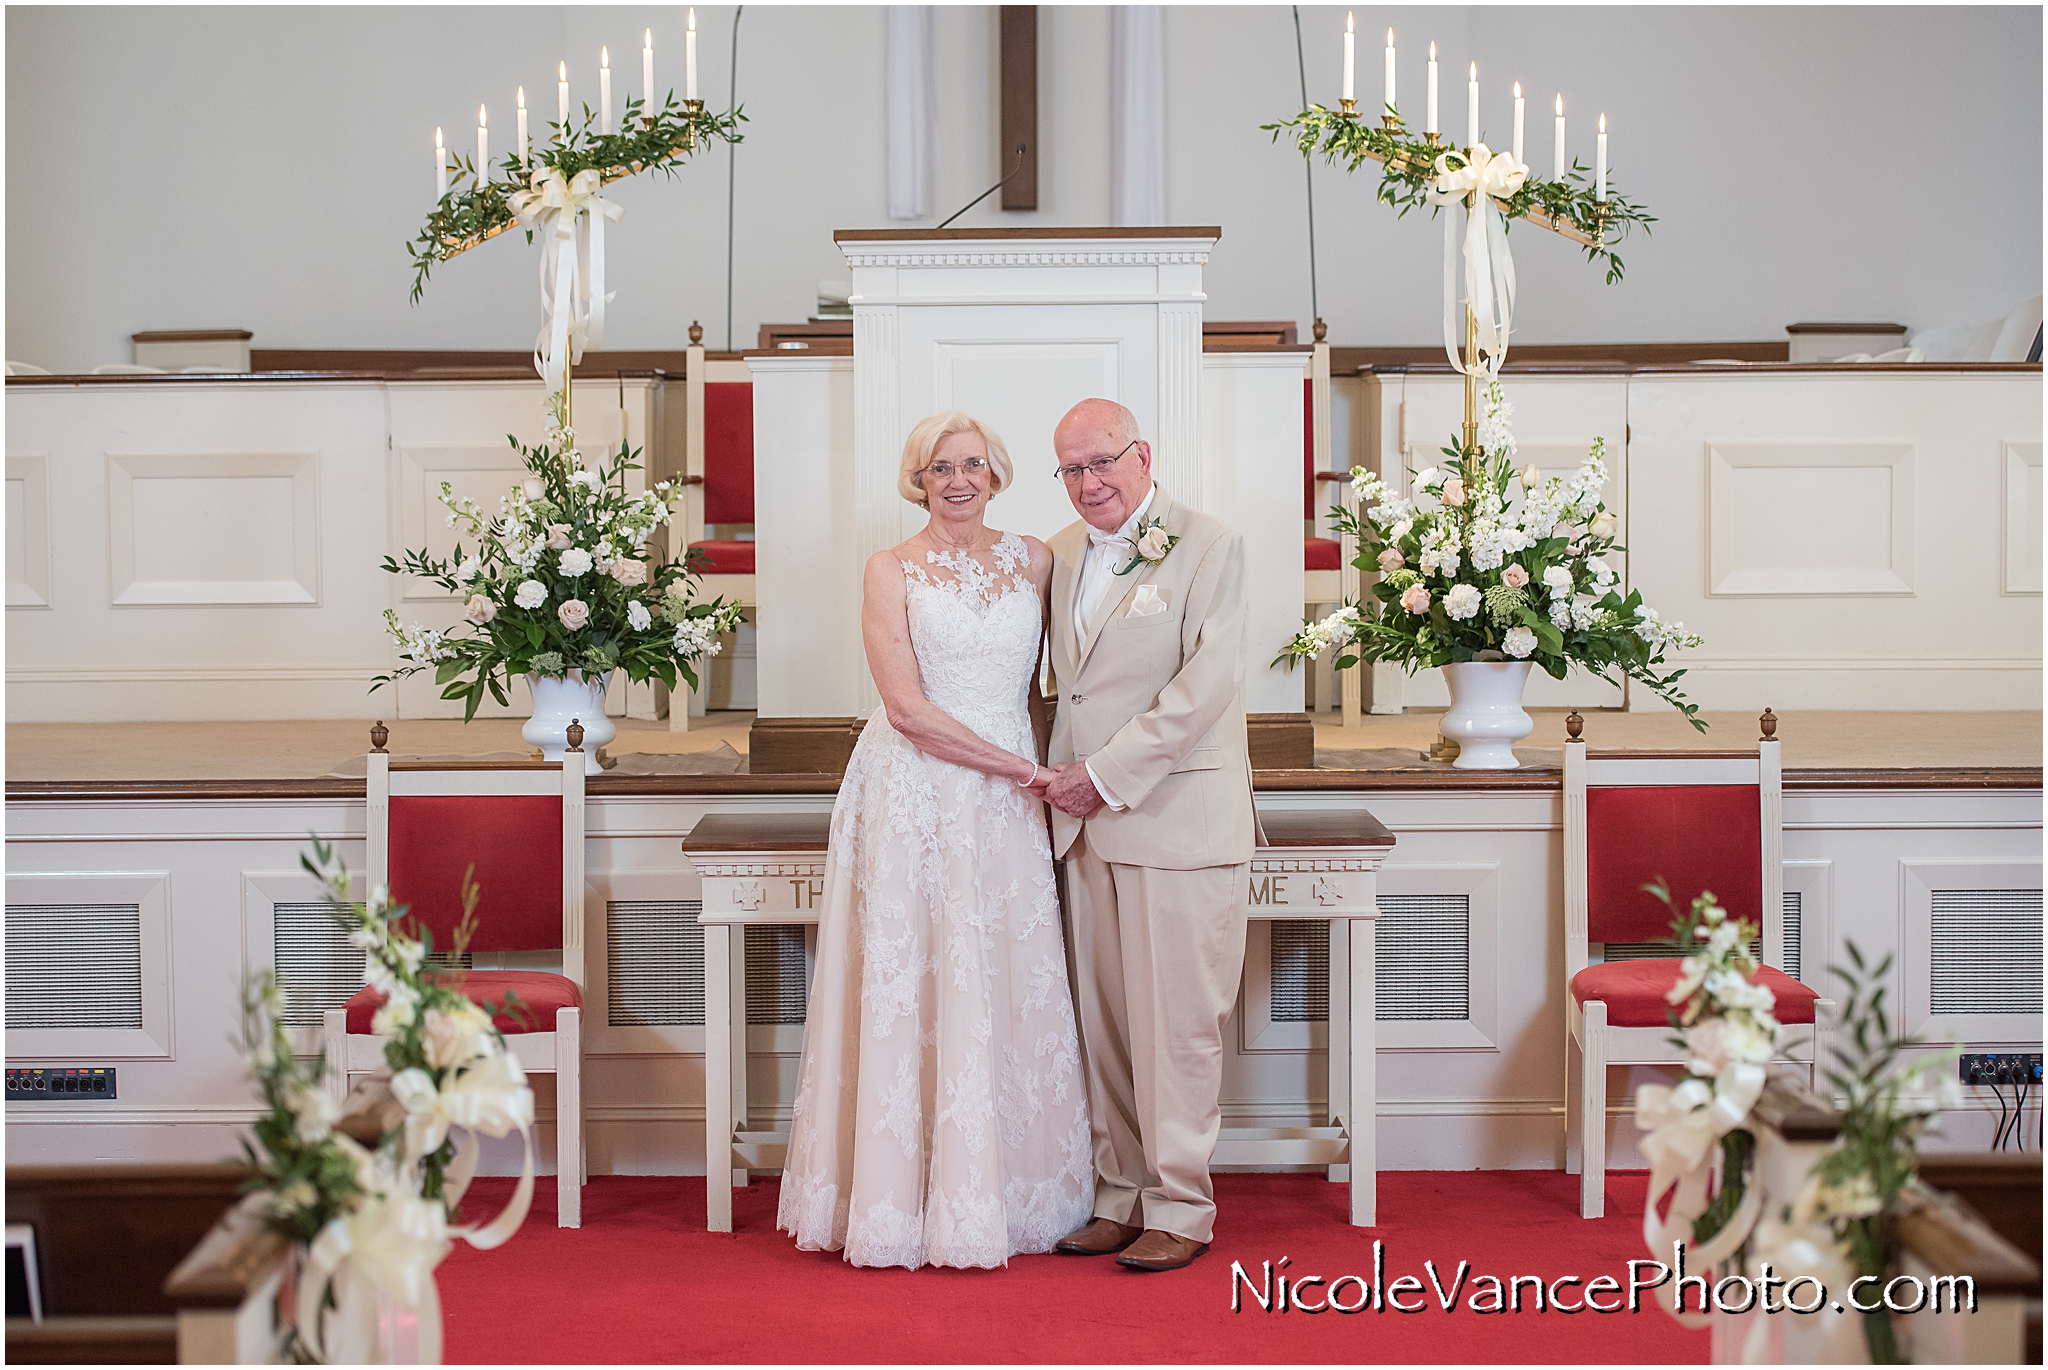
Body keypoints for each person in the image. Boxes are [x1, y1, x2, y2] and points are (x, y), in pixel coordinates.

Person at [777, 410, 1094, 1270]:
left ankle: (1007, 1189)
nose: (958, 480)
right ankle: (898, 1197)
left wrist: (1036, 777)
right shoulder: (891, 569)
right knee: (913, 977)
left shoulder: (1035, 557)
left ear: (997, 472)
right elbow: (909, 711)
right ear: (916, 481)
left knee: (1001, 974)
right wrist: (1023, 773)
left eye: (973, 465)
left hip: (1005, 798)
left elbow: (1036, 692)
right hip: (916, 792)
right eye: (938, 468)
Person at [1040, 397, 1261, 1273]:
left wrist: (1103, 775)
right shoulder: (1056, 555)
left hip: (1175, 820)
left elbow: (1207, 684)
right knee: (1106, 1028)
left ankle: (1182, 1205)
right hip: (1082, 828)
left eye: (1103, 462)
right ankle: (1119, 1194)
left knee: (1177, 1028)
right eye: (1072, 470)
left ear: (1143, 455)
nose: (1090, 483)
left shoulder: (1211, 545)